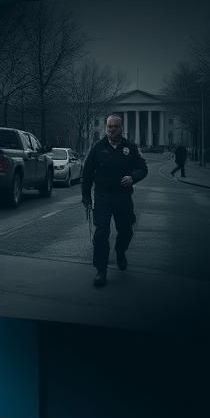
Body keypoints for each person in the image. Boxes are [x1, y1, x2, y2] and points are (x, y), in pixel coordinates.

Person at [81, 114, 149, 288]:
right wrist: (86, 196)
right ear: (106, 128)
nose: (112, 129)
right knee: (101, 233)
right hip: (103, 196)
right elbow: (87, 173)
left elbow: (143, 169)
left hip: (123, 197)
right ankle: (101, 270)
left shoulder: (130, 147)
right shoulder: (97, 147)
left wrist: (132, 177)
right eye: (109, 126)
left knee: (126, 231)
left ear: (121, 128)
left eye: (115, 127)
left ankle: (120, 251)